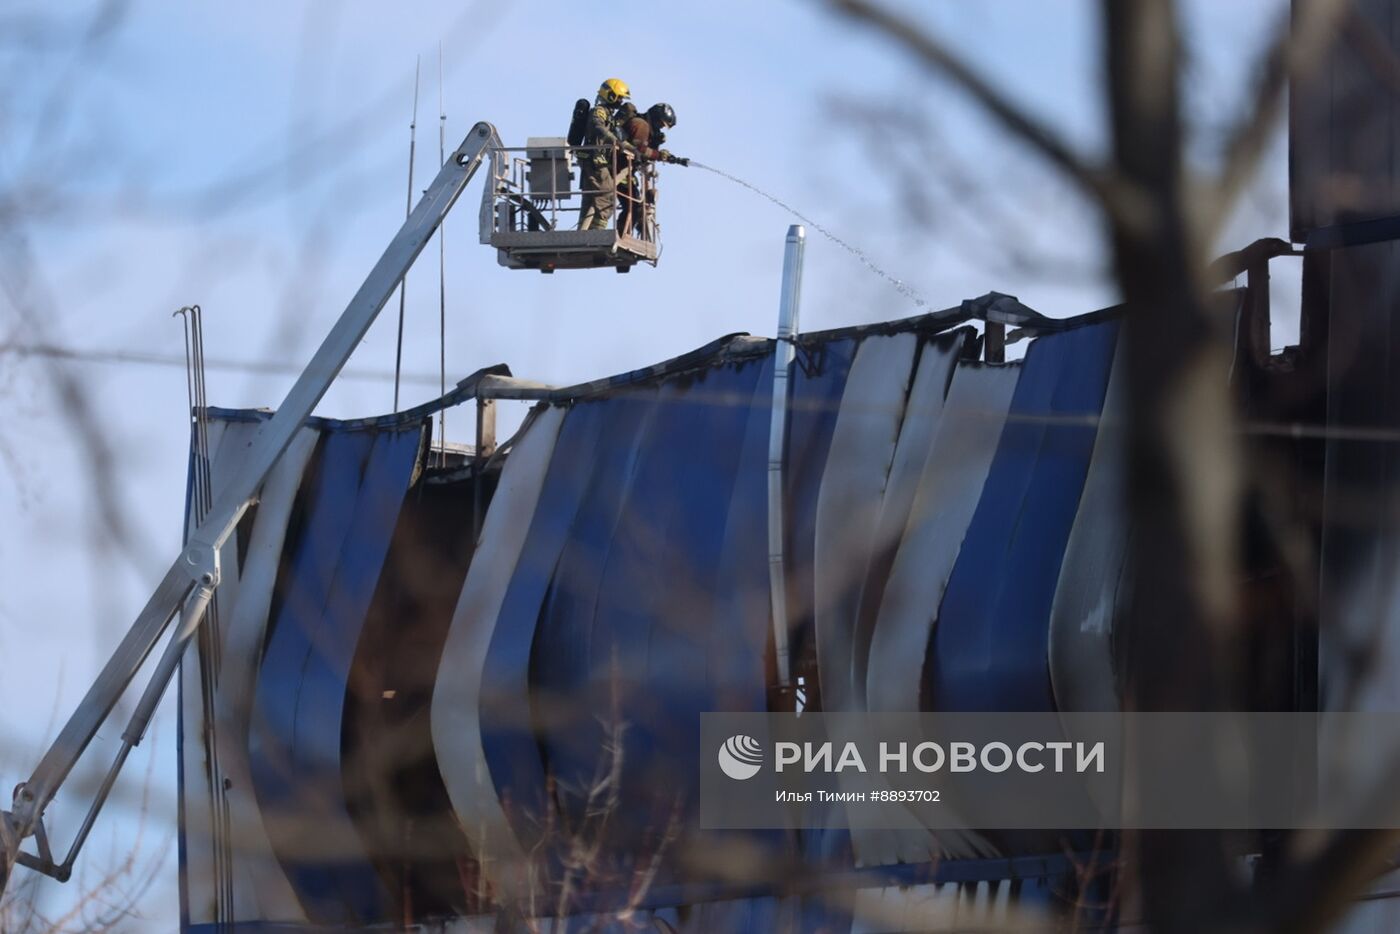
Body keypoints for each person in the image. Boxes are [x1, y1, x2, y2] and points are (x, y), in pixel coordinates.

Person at [617, 103, 687, 236]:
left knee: (634, 205)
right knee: (633, 205)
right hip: (618, 171)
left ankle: (624, 233)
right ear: (655, 118)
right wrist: (659, 155)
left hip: (622, 171)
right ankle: (622, 234)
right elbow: (639, 149)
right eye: (661, 124)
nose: (660, 128)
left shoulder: (645, 127)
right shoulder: (641, 125)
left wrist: (656, 144)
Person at [576, 78, 632, 230]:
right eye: (619, 97)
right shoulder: (599, 111)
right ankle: (597, 231)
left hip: (593, 160)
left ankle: (583, 231)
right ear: (611, 95)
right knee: (607, 195)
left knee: (590, 198)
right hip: (594, 160)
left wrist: (634, 151)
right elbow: (597, 126)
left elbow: (620, 139)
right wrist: (614, 140)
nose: (620, 101)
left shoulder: (609, 116)